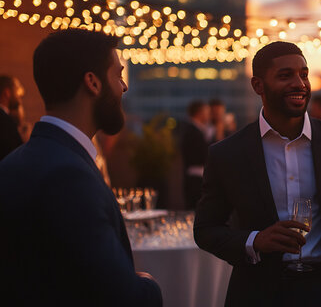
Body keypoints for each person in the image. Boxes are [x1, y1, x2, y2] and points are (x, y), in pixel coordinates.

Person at [194, 41, 321, 306]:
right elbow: (205, 230)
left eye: (303, 74)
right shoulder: (227, 153)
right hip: (258, 292)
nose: (299, 83)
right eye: (285, 76)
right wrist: (255, 240)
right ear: (258, 85)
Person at [0, 29, 162, 306]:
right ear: (93, 83)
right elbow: (120, 296)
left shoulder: (12, 162)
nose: (124, 87)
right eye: (118, 74)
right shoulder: (69, 176)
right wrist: (147, 284)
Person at [181, 100, 210, 210]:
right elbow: (203, 155)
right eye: (206, 111)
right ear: (199, 112)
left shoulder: (195, 129)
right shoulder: (192, 131)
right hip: (196, 180)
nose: (208, 115)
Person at [0, 75, 25, 160]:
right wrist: (26, 141)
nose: (22, 93)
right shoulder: (6, 122)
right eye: (17, 90)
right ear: (7, 93)